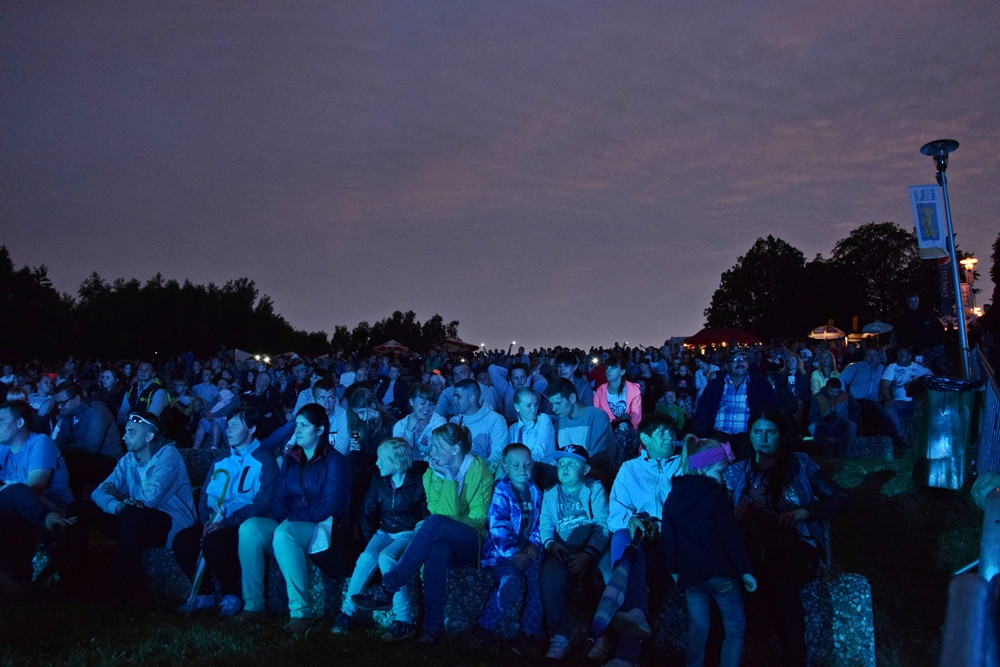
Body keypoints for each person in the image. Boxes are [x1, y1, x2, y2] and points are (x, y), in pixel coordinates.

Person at [351, 423, 494, 646]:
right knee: (436, 551)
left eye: (437, 447)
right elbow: (443, 513)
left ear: (455, 449)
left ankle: (388, 586)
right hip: (444, 539)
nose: (431, 452)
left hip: (472, 540)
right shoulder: (431, 474)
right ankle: (432, 628)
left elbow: (477, 520)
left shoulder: (480, 471)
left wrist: (441, 519)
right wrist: (448, 477)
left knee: (435, 523)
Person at [726, 408, 847, 666]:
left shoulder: (801, 464)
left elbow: (840, 497)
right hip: (752, 545)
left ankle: (794, 659)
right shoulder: (738, 472)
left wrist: (805, 511)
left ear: (781, 435)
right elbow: (718, 510)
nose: (764, 438)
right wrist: (735, 514)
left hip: (795, 546)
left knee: (779, 581)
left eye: (770, 432)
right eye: (757, 432)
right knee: (748, 582)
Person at [234, 404, 350, 633]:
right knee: (249, 528)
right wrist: (279, 517)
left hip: (321, 526)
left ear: (319, 430)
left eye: (304, 425)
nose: (297, 430)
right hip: (289, 521)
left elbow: (329, 506)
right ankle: (253, 605)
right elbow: (279, 496)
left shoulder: (334, 461)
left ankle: (300, 613)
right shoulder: (291, 459)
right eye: (296, 424)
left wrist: (291, 519)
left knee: (284, 534)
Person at [76, 412, 196, 601]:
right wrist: (116, 506)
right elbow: (99, 492)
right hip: (133, 518)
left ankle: (123, 592)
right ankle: (71, 581)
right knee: (80, 507)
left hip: (170, 524)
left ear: (148, 437)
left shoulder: (169, 455)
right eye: (125, 432)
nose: (124, 437)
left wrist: (123, 501)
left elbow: (148, 499)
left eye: (131, 433)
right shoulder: (129, 459)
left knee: (132, 514)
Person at [595, 413, 684, 666]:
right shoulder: (630, 468)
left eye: (671, 432)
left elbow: (722, 454)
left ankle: (622, 652)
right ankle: (630, 631)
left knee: (625, 569)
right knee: (624, 536)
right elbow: (615, 514)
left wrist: (691, 443)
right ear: (645, 438)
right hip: (637, 538)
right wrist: (632, 519)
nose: (670, 437)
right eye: (663, 433)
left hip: (670, 538)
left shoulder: (683, 463)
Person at [172, 407, 278, 617]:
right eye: (227, 426)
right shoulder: (220, 460)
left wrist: (226, 523)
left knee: (216, 543)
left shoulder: (265, 460)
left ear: (252, 429)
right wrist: (207, 522)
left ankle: (232, 594)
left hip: (240, 524)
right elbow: (205, 494)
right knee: (182, 541)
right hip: (214, 522)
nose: (228, 430)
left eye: (235, 426)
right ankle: (205, 594)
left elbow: (263, 503)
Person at [662, 436, 756, 667]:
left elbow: (669, 539)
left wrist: (674, 570)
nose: (723, 479)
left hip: (691, 577)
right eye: (721, 472)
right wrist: (745, 571)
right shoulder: (715, 496)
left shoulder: (673, 497)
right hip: (721, 573)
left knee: (698, 629)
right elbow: (730, 537)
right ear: (703, 468)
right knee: (735, 627)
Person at [334, 438, 427, 642]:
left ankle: (404, 619)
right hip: (384, 531)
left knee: (387, 558)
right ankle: (346, 612)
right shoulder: (378, 481)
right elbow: (368, 513)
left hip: (407, 532)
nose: (377, 463)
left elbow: (425, 514)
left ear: (396, 463)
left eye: (381, 459)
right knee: (367, 557)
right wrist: (368, 542)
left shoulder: (418, 481)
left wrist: (420, 528)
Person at [539, 444, 610, 661]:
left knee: (600, 579)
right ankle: (560, 635)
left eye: (572, 463)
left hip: (591, 549)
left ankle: (602, 635)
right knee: (550, 579)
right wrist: (551, 544)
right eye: (561, 464)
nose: (565, 468)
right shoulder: (551, 494)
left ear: (585, 470)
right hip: (562, 550)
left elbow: (602, 524)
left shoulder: (594, 489)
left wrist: (589, 554)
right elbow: (545, 525)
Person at [475, 444, 544, 652]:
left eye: (527, 464)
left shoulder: (535, 491)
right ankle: (484, 629)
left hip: (528, 551)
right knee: (511, 582)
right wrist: (513, 554)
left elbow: (541, 522)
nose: (523, 469)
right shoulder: (501, 491)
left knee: (537, 581)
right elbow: (497, 526)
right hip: (502, 554)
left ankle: (528, 633)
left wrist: (534, 543)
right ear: (505, 467)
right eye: (516, 465)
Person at [0, 400, 75, 588]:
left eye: (1, 420)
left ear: (19, 423)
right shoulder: (4, 449)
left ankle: (15, 577)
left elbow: (33, 489)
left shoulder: (40, 443)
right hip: (19, 509)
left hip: (48, 507)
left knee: (17, 491)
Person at [693, 348, 780, 457]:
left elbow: (771, 409)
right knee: (705, 461)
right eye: (734, 360)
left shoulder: (760, 384)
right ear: (727, 365)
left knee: (747, 462)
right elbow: (703, 411)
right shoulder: (715, 385)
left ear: (747, 363)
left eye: (742, 359)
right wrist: (701, 435)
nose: (739, 363)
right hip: (719, 433)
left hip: (747, 434)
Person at [51, 381, 121, 497]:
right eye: (57, 403)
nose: (59, 407)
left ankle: (73, 502)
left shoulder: (96, 411)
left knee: (74, 460)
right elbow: (60, 441)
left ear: (77, 398)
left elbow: (91, 446)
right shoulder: (68, 414)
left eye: (62, 403)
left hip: (109, 462)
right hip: (84, 459)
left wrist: (62, 448)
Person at [544, 378, 614, 483]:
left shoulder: (597, 416)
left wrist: (571, 468)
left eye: (558, 403)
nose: (554, 409)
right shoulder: (561, 421)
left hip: (596, 471)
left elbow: (597, 455)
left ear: (572, 398)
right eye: (552, 404)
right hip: (570, 469)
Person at [449, 379, 508, 474]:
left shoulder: (496, 420)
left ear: (472, 398)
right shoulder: (454, 421)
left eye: (458, 397)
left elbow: (497, 456)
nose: (454, 401)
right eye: (454, 397)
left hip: (484, 473)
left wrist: (472, 468)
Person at [879, 347, 933, 449]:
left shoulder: (919, 368)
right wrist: (888, 398)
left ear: (909, 357)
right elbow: (884, 385)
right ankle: (902, 435)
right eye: (898, 355)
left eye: (902, 355)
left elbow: (933, 379)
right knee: (888, 408)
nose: (899, 358)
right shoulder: (892, 367)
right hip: (900, 402)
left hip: (916, 401)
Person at [391, 382, 446, 469]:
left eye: (431, 404)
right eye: (423, 403)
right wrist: (408, 430)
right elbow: (401, 457)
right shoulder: (400, 425)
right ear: (411, 401)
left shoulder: (439, 423)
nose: (427, 408)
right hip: (407, 471)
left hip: (431, 470)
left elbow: (440, 456)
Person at [893, 292, 950, 375]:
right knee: (923, 373)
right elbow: (899, 336)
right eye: (911, 302)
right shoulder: (904, 318)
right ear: (907, 302)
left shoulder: (927, 314)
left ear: (918, 301)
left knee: (944, 370)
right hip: (920, 351)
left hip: (935, 347)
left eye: (915, 301)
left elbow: (939, 328)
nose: (913, 304)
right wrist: (910, 347)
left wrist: (939, 341)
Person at [808, 378, 860, 457]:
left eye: (837, 392)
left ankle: (844, 455)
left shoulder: (846, 396)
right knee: (812, 427)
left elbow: (856, 409)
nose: (834, 394)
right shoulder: (818, 398)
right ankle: (827, 454)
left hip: (842, 425)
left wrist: (850, 419)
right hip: (825, 426)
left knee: (852, 426)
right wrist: (823, 419)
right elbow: (812, 417)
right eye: (831, 391)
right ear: (827, 389)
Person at [507, 388, 555, 468]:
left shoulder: (543, 419)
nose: (533, 409)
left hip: (545, 469)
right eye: (528, 405)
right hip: (523, 471)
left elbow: (540, 451)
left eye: (536, 404)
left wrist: (521, 465)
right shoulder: (513, 428)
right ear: (516, 406)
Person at [593, 353, 642, 430]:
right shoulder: (600, 392)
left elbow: (636, 418)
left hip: (628, 433)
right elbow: (596, 416)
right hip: (606, 433)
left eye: (612, 368)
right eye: (607, 368)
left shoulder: (633, 391)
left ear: (622, 372)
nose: (608, 371)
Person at [116, 362, 168, 426]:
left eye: (147, 370)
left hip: (151, 432)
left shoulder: (159, 392)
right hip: (130, 428)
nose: (143, 372)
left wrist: (129, 417)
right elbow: (120, 416)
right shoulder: (131, 389)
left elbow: (150, 419)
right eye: (140, 369)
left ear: (153, 374)